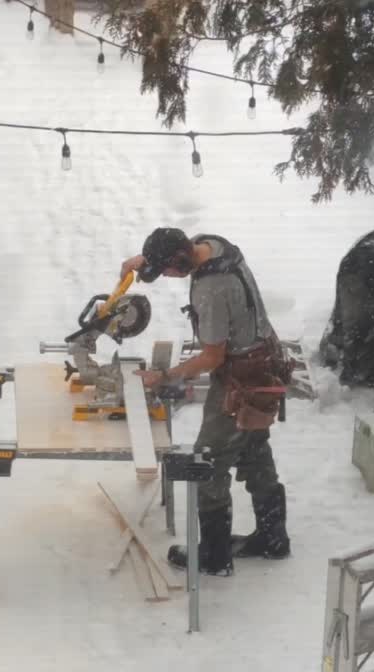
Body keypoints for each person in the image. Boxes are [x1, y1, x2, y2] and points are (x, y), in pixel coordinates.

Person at [121, 228, 291, 577]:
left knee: (207, 462)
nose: (169, 277)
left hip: (241, 379)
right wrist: (144, 262)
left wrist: (166, 376)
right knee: (253, 448)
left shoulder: (212, 288)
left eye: (167, 270)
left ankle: (214, 555)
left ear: (181, 258)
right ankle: (273, 538)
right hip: (263, 362)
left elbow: (213, 357)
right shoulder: (211, 245)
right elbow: (175, 252)